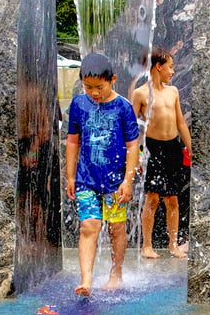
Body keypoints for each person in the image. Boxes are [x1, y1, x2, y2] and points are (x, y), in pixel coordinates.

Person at [66, 53, 139, 294]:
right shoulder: (78, 104)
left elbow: (132, 146)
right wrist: (70, 176)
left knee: (116, 227)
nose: (94, 93)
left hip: (115, 182)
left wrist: (128, 181)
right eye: (88, 87)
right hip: (86, 180)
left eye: (99, 87)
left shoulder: (123, 107)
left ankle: (116, 272)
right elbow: (73, 142)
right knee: (89, 225)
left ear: (113, 80)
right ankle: (86, 280)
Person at [132, 47, 192, 259]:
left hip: (173, 147)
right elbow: (133, 127)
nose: (173, 71)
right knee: (152, 199)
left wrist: (190, 147)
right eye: (170, 67)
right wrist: (137, 154)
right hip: (153, 148)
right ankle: (146, 245)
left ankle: (173, 244)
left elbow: (181, 122)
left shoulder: (173, 91)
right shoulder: (140, 94)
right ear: (158, 66)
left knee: (173, 199)